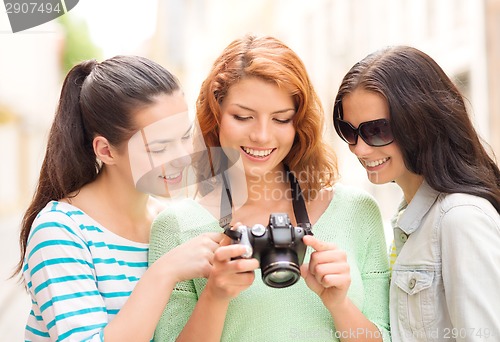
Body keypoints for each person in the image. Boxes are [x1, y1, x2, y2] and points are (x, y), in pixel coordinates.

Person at [149, 34, 391, 342]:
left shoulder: (356, 210)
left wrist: (340, 304)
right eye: (243, 117)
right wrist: (215, 296)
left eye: (281, 119)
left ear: (298, 124)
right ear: (215, 117)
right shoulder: (177, 227)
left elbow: (385, 335)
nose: (262, 136)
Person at [16, 55, 222, 341]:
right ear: (106, 151)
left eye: (185, 137)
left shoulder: (170, 222)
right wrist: (165, 272)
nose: (182, 158)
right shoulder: (60, 230)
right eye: (160, 147)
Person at [333, 45, 500, 341]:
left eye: (377, 130)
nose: (359, 148)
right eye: (349, 131)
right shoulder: (409, 219)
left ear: (420, 122)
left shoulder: (460, 219)